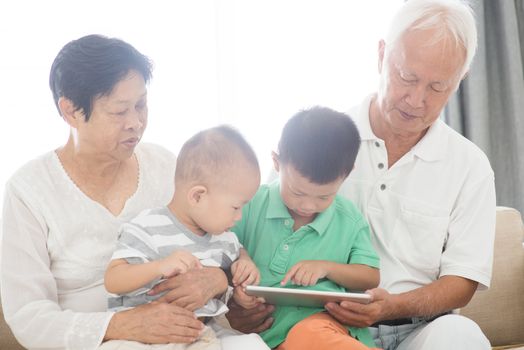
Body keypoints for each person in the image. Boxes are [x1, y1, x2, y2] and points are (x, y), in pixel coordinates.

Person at [227, 1, 496, 349]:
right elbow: (256, 231)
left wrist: (392, 306)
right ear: (382, 55)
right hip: (317, 324)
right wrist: (239, 305)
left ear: (460, 80)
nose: (416, 100)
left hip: (420, 331)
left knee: (463, 337)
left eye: (437, 87)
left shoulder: (470, 167)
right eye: (408, 77)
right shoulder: (320, 139)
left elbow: (463, 281)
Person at [0, 34, 230, 349]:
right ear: (70, 112)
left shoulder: (164, 165)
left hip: (187, 332)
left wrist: (218, 280)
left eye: (141, 105)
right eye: (119, 111)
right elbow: (28, 316)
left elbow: (217, 241)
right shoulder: (28, 191)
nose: (136, 122)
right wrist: (119, 326)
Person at [102, 125, 269, 349]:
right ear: (198, 196)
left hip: (198, 334)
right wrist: (159, 267)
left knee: (251, 345)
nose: (239, 217)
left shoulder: (224, 239)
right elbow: (113, 280)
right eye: (236, 207)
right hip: (142, 336)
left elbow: (237, 254)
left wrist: (245, 270)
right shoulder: (149, 226)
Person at [232, 106, 381, 349]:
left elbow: (370, 277)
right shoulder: (250, 203)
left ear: (346, 175)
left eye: (324, 197)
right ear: (277, 162)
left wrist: (327, 268)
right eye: (297, 192)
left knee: (310, 334)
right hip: (271, 336)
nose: (308, 205)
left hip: (327, 325)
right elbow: (219, 246)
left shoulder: (348, 219)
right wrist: (242, 257)